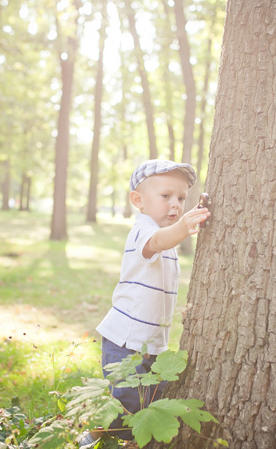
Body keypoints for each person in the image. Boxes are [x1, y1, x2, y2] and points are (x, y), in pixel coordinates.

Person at [77, 159, 211, 449]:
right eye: (165, 196)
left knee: (152, 397)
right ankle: (103, 437)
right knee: (126, 402)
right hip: (125, 341)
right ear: (138, 200)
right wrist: (185, 225)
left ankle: (122, 436)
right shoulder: (144, 231)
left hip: (150, 342)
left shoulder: (166, 239)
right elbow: (157, 242)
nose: (175, 205)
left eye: (181, 198)